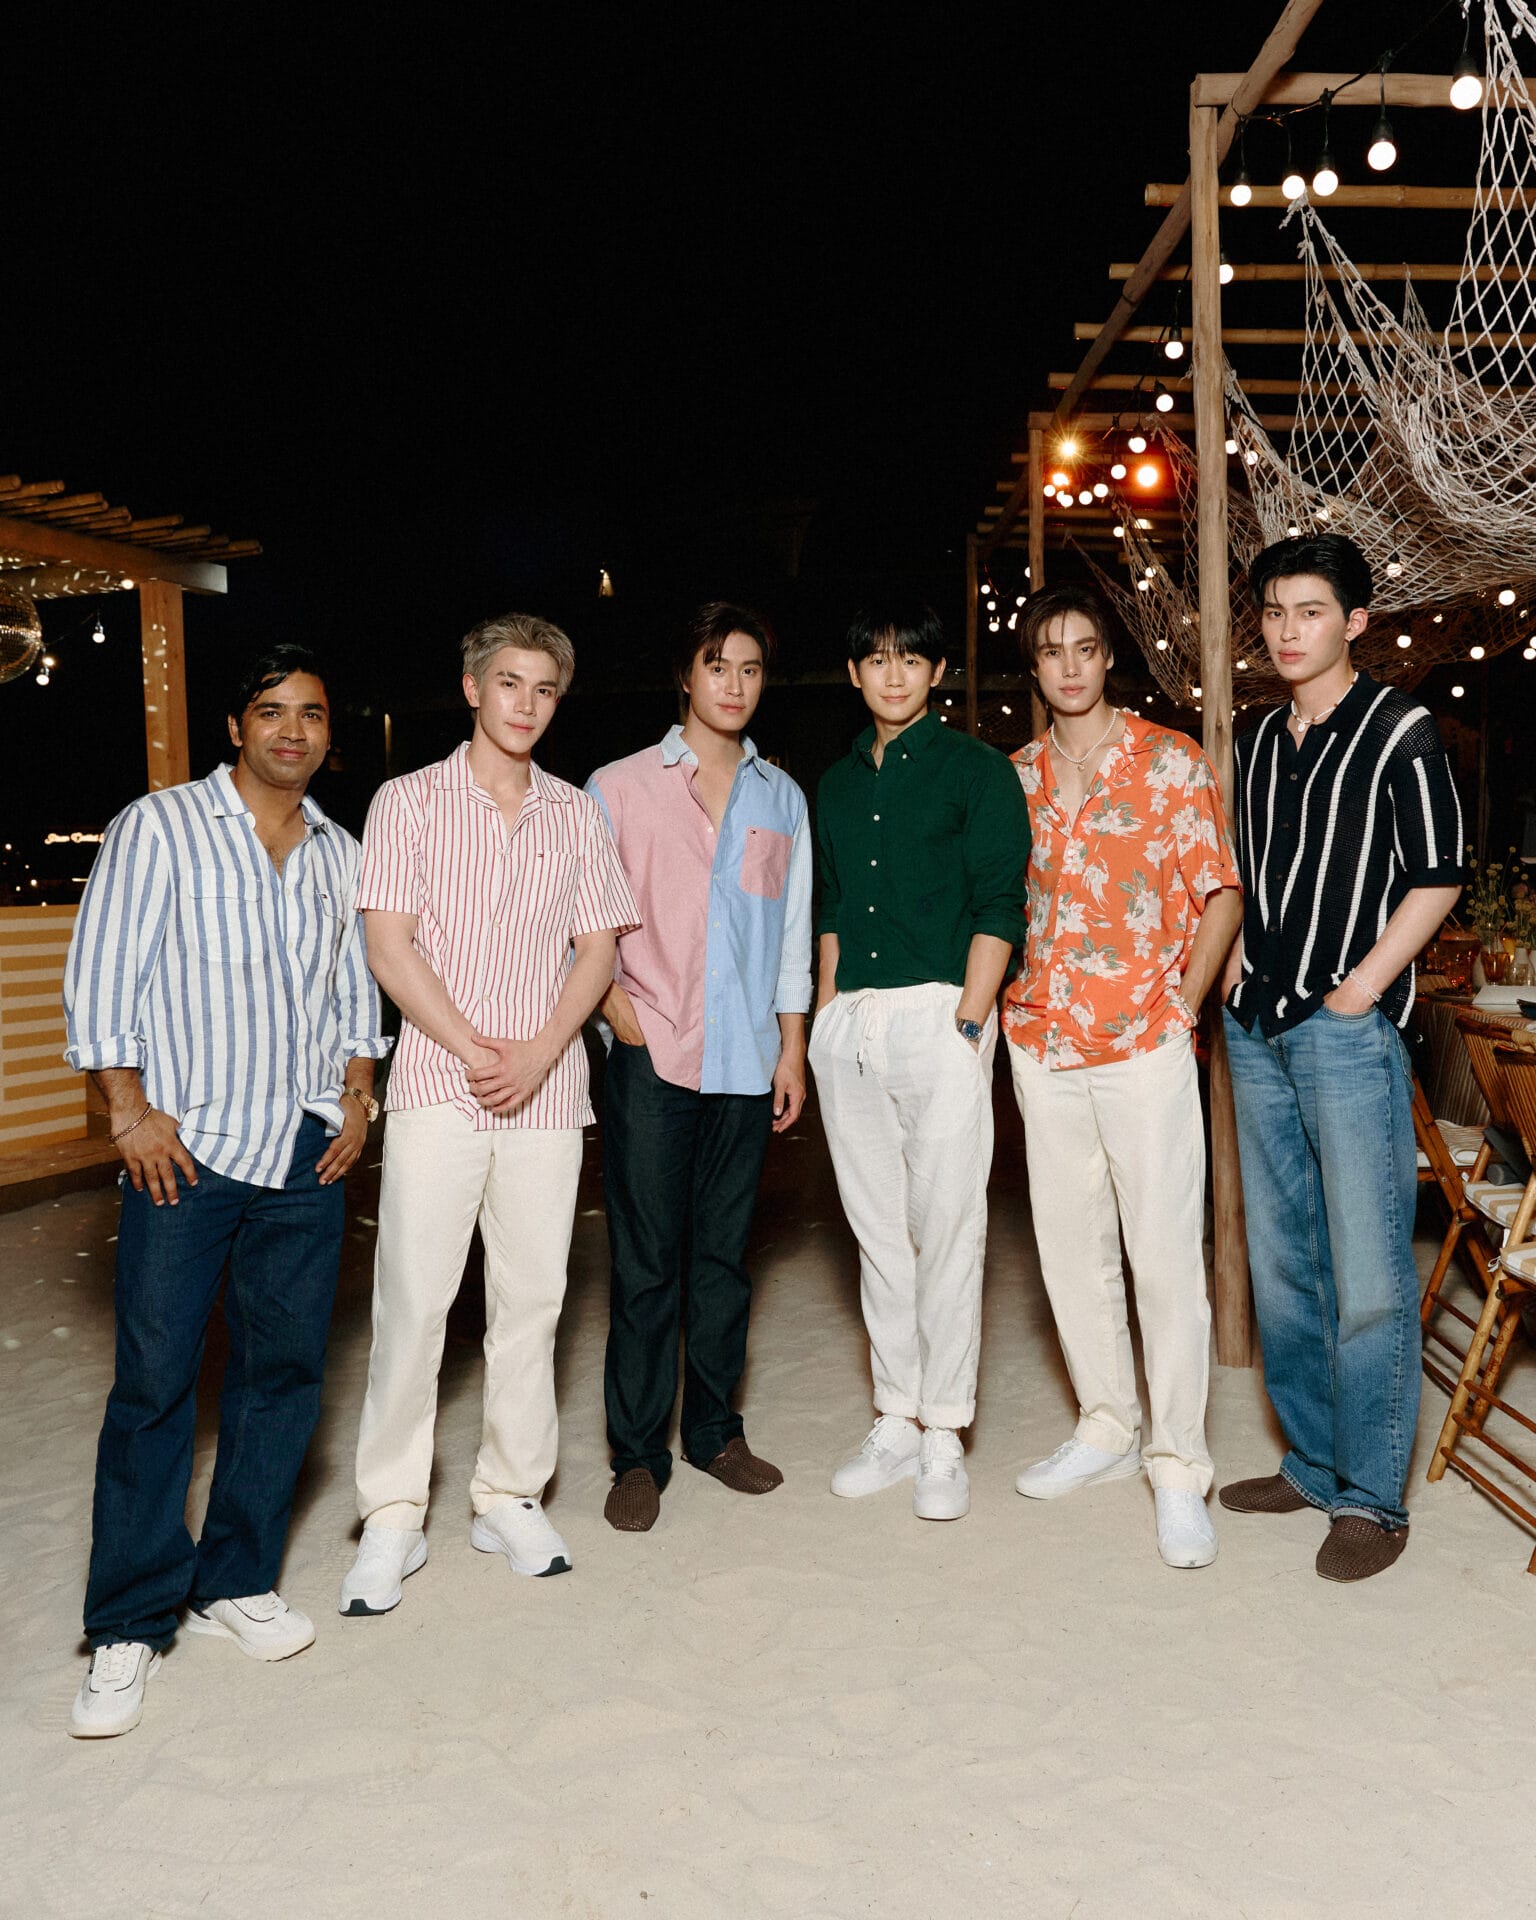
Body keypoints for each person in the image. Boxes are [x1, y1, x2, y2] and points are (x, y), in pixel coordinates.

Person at [63, 645, 388, 1738]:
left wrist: (357, 1093)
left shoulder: (342, 852)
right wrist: (128, 1112)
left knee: (282, 1375)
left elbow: (353, 993)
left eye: (313, 714)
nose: (294, 731)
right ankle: (127, 1622)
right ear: (236, 727)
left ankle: (234, 1581)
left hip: (303, 1150)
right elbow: (101, 980)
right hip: (185, 1151)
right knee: (155, 1385)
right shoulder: (158, 827)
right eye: (272, 711)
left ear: (328, 732)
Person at [341, 613, 636, 1612]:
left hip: (548, 1095)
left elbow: (597, 949)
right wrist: (476, 1050)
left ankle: (509, 1494)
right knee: (415, 1301)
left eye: (544, 689)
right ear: (473, 688)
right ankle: (393, 1515)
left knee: (534, 1300)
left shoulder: (576, 813)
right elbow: (388, 947)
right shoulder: (408, 801)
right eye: (509, 683)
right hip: (441, 1085)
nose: (526, 704)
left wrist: (542, 1051)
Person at [1221, 533, 1464, 1581]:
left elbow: (1440, 873)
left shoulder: (1402, 728)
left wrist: (1362, 986)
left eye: (1310, 611)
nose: (1288, 631)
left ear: (1355, 622)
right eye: (1275, 612)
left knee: (1367, 1269)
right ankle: (1315, 1463)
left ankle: (1372, 1499)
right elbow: (1246, 865)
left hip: (1346, 1030)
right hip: (1256, 1023)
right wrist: (1235, 967)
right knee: (1284, 1263)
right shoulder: (1257, 737)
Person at [1003, 586, 1242, 1568]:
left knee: (1164, 1256)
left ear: (1109, 658)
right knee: (1069, 1251)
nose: (1069, 666)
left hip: (1144, 1042)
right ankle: (1106, 1426)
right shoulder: (1013, 778)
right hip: (1042, 1044)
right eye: (1051, 651)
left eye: (1085, 648)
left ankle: (1178, 1467)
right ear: (1035, 667)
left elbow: (1220, 894)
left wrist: (1182, 1007)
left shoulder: (1169, 761)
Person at [586, 601, 811, 1530]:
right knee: (646, 1263)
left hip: (747, 1059)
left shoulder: (781, 797)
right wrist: (613, 1008)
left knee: (723, 1258)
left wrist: (791, 1046)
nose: (734, 684)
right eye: (718, 665)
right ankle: (637, 1457)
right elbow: (581, 913)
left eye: (750, 669)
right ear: (686, 675)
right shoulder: (618, 786)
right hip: (653, 1053)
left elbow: (788, 934)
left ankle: (715, 1434)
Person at [811, 602, 1029, 1520]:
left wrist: (968, 1022)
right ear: (854, 673)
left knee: (947, 1226)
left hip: (941, 1015)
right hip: (851, 1025)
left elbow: (1001, 904)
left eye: (911, 660)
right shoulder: (833, 783)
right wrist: (826, 1017)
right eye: (876, 660)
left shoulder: (977, 771)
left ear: (937, 673)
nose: (893, 675)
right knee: (877, 1231)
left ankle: (944, 1429)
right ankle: (896, 1415)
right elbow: (829, 907)